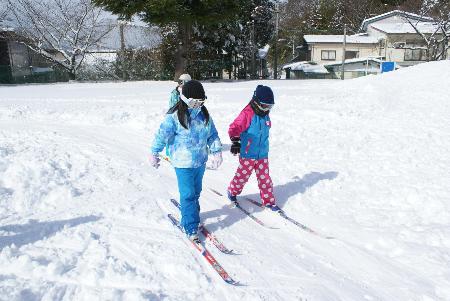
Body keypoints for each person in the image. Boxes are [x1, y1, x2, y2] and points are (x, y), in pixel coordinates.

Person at [150, 80, 223, 242]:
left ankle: (191, 213)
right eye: (193, 102)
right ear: (184, 99)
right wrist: (154, 152)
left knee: (196, 191)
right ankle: (190, 225)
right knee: (188, 194)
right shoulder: (174, 117)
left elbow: (212, 135)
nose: (197, 105)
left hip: (200, 162)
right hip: (182, 163)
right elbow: (162, 135)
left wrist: (217, 151)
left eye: (200, 102)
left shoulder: (204, 116)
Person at [226, 85, 280, 211]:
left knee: (265, 179)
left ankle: (268, 201)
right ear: (256, 102)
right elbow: (234, 127)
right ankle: (232, 191)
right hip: (248, 153)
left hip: (262, 154)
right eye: (265, 105)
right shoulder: (247, 113)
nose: (267, 109)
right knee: (242, 177)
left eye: (270, 106)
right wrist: (235, 141)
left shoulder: (265, 115)